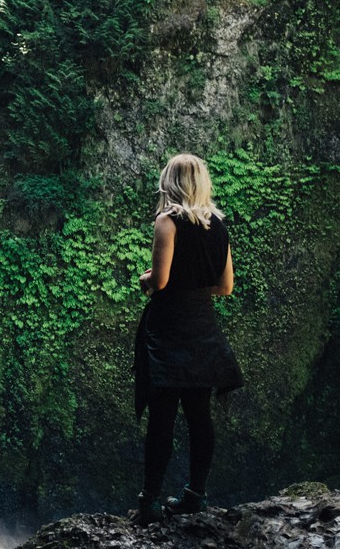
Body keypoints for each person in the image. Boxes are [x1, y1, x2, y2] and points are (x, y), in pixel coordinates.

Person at [130, 153, 244, 525]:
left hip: (169, 329)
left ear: (170, 181)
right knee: (200, 416)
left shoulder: (168, 221)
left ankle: (148, 503)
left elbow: (160, 282)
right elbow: (225, 287)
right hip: (202, 329)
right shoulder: (219, 225)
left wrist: (146, 279)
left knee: (162, 417)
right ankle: (195, 495)